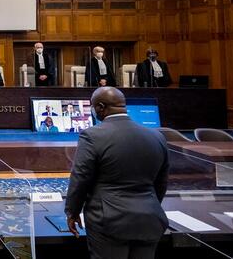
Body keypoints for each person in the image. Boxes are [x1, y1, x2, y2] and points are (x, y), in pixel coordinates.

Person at [65, 87, 169, 258]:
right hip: (149, 218)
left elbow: (81, 177)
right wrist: (149, 206)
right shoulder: (156, 136)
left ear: (99, 107)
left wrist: (72, 212)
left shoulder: (92, 135)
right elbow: (161, 182)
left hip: (109, 221)